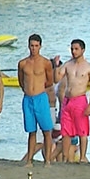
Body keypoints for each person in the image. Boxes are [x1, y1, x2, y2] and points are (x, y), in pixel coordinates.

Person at [54, 39, 90, 164]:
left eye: (76, 49)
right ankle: (66, 157)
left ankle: (82, 157)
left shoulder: (89, 67)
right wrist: (56, 66)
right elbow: (56, 79)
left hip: (80, 99)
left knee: (82, 131)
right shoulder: (68, 65)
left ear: (83, 50)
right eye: (72, 49)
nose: (74, 51)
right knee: (66, 131)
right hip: (67, 100)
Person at [18, 34, 54, 167]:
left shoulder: (45, 63)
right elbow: (21, 81)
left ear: (40, 46)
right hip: (28, 99)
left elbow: (50, 81)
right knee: (31, 131)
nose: (34, 48)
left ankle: (47, 160)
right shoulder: (23, 63)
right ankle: (29, 160)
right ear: (28, 46)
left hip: (41, 98)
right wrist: (28, 90)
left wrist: (39, 88)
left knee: (46, 130)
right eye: (32, 46)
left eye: (36, 46)